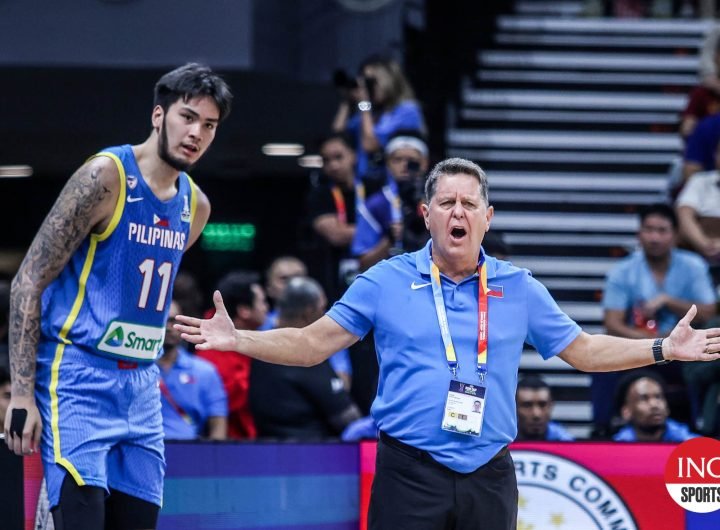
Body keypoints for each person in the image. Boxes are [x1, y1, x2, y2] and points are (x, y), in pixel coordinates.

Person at [175, 157, 720, 530]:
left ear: (488, 217)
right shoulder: (383, 281)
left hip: (489, 470)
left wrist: (662, 350)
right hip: (408, 470)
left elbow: (582, 351)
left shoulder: (519, 286)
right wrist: (238, 338)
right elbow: (312, 343)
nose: (457, 212)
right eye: (446, 202)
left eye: (469, 203)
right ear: (426, 214)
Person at [4, 63, 232, 530]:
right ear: (158, 115)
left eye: (209, 125)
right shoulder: (106, 176)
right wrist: (22, 391)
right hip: (77, 376)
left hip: (142, 385)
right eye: (187, 117)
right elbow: (28, 279)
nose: (196, 133)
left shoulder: (196, 206)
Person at [596, 203, 716, 435]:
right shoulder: (622, 271)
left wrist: (667, 300)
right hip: (638, 349)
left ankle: (704, 429)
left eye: (662, 230)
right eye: (649, 230)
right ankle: (602, 430)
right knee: (601, 363)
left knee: (711, 361)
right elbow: (613, 323)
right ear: (638, 234)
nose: (654, 237)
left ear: (675, 234)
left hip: (687, 352)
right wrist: (656, 343)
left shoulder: (693, 266)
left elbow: (710, 311)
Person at [249, 277, 362, 440]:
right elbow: (348, 419)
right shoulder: (306, 355)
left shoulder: (260, 345)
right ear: (309, 312)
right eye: (323, 309)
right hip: (314, 452)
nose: (325, 316)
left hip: (267, 450)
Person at [196, 270, 267, 440]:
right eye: (262, 302)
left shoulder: (255, 335)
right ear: (244, 310)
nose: (267, 308)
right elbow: (230, 402)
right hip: (228, 445)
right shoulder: (212, 353)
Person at [332, 55, 425, 180]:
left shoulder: (407, 110)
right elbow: (338, 134)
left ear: (388, 80)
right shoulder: (369, 113)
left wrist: (364, 103)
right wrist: (347, 100)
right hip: (364, 180)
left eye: (371, 82)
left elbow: (370, 145)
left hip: (390, 182)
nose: (368, 88)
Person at [352, 130, 431, 270]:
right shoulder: (375, 205)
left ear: (424, 162)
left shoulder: (439, 202)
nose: (404, 166)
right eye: (397, 160)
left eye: (411, 161)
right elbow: (363, 264)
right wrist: (389, 240)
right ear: (388, 164)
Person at [157, 300, 227, 441]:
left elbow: (218, 425)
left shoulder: (206, 372)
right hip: (144, 450)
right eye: (162, 320)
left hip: (190, 451)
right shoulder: (135, 369)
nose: (168, 327)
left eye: (173, 321)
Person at [613, 370, 699, 442]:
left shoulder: (692, 444)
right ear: (626, 411)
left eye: (658, 397)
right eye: (644, 399)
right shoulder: (614, 446)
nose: (654, 405)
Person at [515, 375, 574, 442]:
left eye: (542, 405)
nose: (536, 414)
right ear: (515, 407)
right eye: (527, 405)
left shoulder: (564, 441)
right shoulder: (503, 440)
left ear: (551, 405)